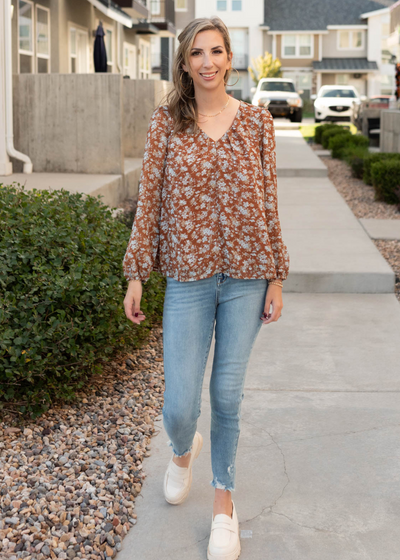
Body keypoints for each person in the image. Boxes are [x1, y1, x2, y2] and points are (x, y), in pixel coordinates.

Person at [122, 16, 289, 560]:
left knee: (226, 394)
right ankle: (180, 449)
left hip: (247, 276)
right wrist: (136, 272)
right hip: (189, 278)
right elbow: (149, 202)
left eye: (217, 51)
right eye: (199, 52)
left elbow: (268, 200)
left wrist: (277, 275)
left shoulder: (257, 123)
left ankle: (224, 505)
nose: (209, 61)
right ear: (185, 62)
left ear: (229, 59)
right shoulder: (165, 123)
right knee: (179, 406)